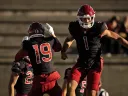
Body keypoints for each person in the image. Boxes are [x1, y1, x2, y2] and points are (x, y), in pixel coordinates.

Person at [61, 4, 128, 96]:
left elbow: (117, 37)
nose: (88, 20)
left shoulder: (98, 28)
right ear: (80, 18)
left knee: (91, 93)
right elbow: (69, 39)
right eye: (85, 18)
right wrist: (63, 50)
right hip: (81, 62)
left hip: (95, 63)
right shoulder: (75, 28)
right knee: (70, 86)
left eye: (90, 18)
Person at [15, 22, 62, 96]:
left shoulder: (28, 43)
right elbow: (59, 48)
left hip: (39, 80)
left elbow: (17, 57)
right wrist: (53, 35)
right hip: (51, 78)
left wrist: (23, 46)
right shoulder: (50, 40)